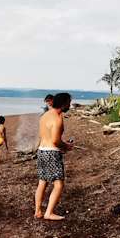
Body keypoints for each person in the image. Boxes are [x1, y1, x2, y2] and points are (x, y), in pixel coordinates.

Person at [35, 93, 72, 221]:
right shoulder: (57, 118)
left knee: (42, 182)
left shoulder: (45, 115)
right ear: (63, 104)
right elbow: (56, 140)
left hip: (41, 150)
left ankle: (38, 211)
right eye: (69, 102)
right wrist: (66, 146)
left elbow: (45, 135)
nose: (70, 105)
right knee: (58, 184)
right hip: (51, 152)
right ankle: (49, 213)